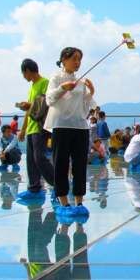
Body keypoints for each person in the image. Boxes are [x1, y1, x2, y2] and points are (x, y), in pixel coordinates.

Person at [46, 47, 95, 217]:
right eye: (74, 58)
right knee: (61, 164)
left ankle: (79, 201)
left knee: (80, 164)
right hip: (61, 126)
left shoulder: (80, 82)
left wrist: (90, 94)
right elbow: (49, 99)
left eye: (79, 59)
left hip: (80, 127)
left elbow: (85, 106)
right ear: (64, 60)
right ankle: (64, 202)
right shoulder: (56, 78)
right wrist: (62, 88)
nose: (77, 62)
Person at [17, 59, 56, 202]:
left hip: (41, 126)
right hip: (31, 128)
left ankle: (57, 184)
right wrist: (23, 129)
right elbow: (29, 110)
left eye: (23, 73)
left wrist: (30, 105)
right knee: (31, 160)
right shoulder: (32, 86)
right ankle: (34, 189)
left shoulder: (45, 83)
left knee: (39, 157)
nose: (24, 77)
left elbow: (47, 102)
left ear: (27, 70)